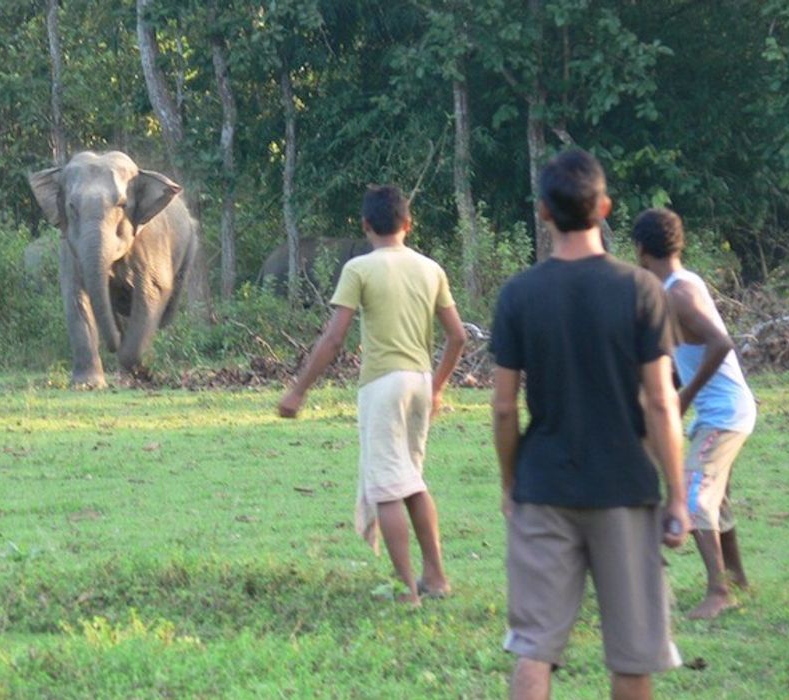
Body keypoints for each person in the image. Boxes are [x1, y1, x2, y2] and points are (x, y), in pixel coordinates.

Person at [490, 150, 690, 700]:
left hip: (544, 485)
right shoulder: (640, 289)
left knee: (535, 648)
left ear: (543, 213)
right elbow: (659, 402)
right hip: (625, 486)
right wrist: (677, 495)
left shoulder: (519, 294)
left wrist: (511, 483)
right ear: (604, 208)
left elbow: (504, 407)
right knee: (632, 657)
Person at [278, 185, 467, 605]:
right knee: (411, 481)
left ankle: (407, 590)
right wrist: (436, 387)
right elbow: (457, 337)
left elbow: (334, 338)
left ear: (365, 226)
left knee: (385, 488)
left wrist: (298, 391)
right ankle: (435, 576)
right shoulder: (430, 269)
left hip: (383, 386)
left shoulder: (359, 269)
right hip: (419, 382)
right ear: (408, 223)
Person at [632, 207, 756, 620]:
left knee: (693, 496)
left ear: (640, 251)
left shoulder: (677, 292)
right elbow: (680, 353)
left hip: (723, 414)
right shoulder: (682, 284)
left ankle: (718, 592)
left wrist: (684, 397)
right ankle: (736, 574)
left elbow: (721, 343)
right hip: (726, 410)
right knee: (716, 498)